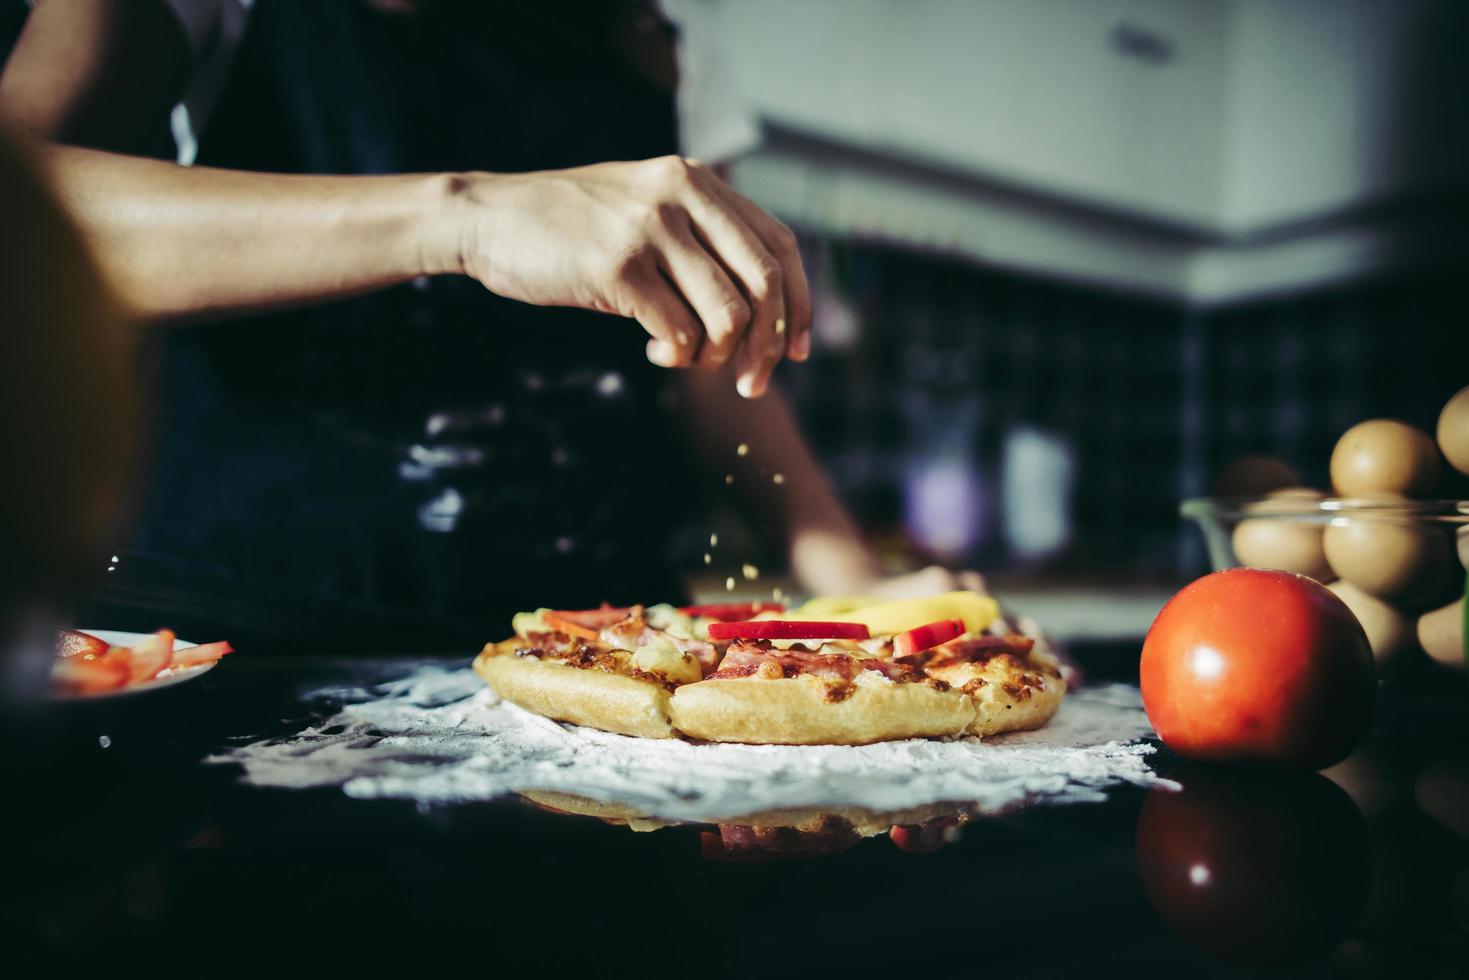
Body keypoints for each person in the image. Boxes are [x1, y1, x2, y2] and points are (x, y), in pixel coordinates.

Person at [0, 0, 980, 652]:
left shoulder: (661, 30)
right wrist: (458, 216)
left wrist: (841, 569)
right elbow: (23, 213)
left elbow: (705, 347)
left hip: (606, 649)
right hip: (248, 632)